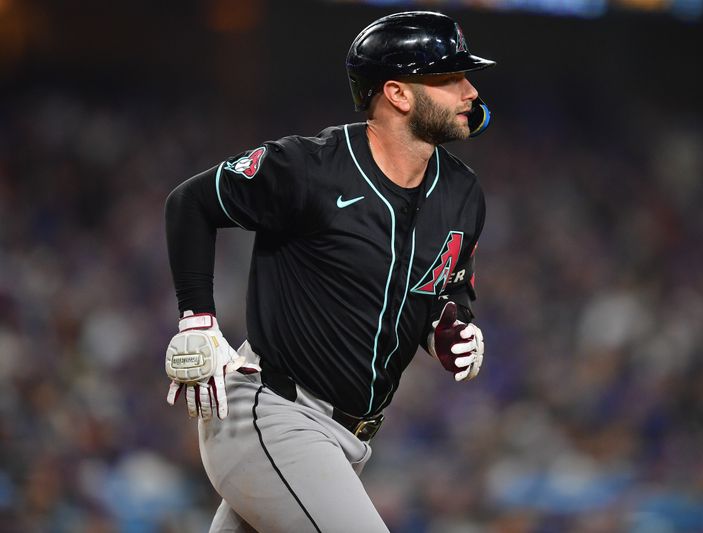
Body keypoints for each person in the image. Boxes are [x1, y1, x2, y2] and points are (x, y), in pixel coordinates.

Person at [163, 11, 495, 532]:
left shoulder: (462, 193)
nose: (470, 91)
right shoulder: (309, 168)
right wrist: (197, 318)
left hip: (346, 441)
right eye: (450, 78)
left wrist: (448, 326)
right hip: (271, 413)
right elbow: (191, 203)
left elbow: (442, 287)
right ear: (398, 94)